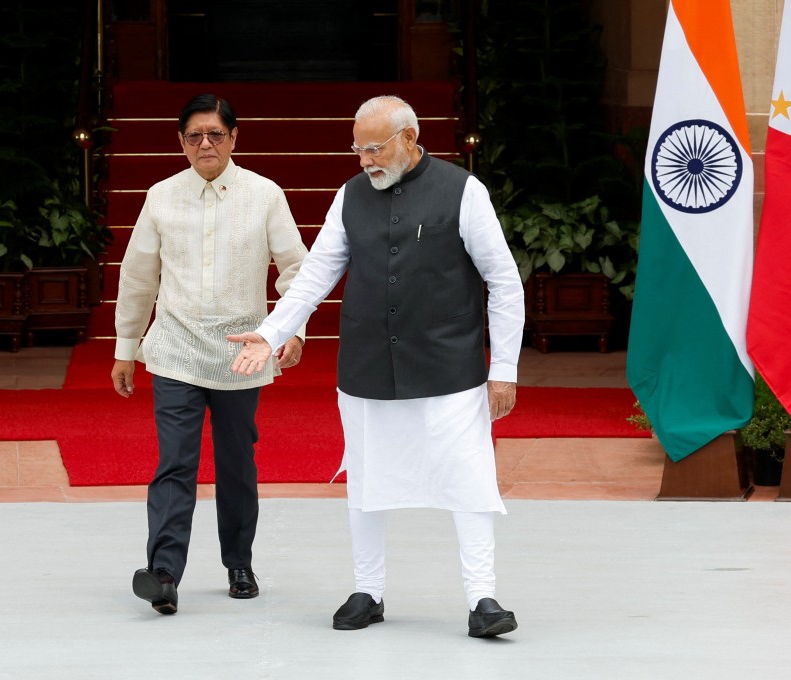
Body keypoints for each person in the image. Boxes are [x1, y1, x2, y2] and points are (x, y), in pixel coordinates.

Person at [228, 95, 526, 638]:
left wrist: (503, 367)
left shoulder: (464, 191)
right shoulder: (349, 196)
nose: (364, 159)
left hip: (449, 369)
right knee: (366, 482)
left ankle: (483, 599)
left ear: (409, 139)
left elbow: (504, 282)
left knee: (470, 480)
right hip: (366, 367)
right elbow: (317, 272)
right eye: (357, 148)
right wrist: (272, 334)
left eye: (374, 147)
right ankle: (369, 590)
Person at [112, 93, 308, 615]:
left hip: (241, 351)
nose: (205, 144)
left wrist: (290, 330)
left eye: (216, 135)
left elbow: (297, 269)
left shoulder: (264, 195)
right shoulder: (160, 196)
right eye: (195, 136)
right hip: (175, 348)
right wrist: (126, 347)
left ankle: (238, 562)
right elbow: (137, 277)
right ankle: (164, 573)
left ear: (234, 138)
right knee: (175, 462)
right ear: (180, 142)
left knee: (237, 464)